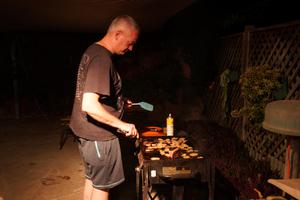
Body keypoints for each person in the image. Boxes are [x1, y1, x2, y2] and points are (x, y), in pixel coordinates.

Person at [69, 15, 139, 200]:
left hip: (86, 133)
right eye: (130, 42)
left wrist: (120, 103)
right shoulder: (102, 59)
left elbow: (94, 94)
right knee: (103, 189)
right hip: (99, 136)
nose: (131, 48)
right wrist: (123, 125)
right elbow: (90, 105)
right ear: (117, 34)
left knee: (92, 181)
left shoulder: (93, 51)